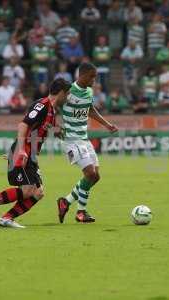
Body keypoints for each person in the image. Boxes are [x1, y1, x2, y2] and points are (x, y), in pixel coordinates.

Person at [0, 78, 71, 228]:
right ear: (61, 93)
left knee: (38, 192)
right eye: (68, 94)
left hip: (31, 154)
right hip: (24, 150)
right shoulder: (42, 105)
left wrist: (64, 133)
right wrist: (19, 150)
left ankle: (7, 218)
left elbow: (52, 129)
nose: (68, 97)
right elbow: (23, 124)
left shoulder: (52, 110)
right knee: (28, 190)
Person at [57, 63, 118, 223]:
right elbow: (54, 105)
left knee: (95, 177)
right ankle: (81, 212)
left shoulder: (89, 91)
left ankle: (66, 201)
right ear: (82, 75)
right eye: (92, 76)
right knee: (90, 174)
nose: (94, 80)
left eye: (95, 76)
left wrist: (106, 124)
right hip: (71, 140)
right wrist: (56, 125)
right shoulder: (68, 90)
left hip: (84, 139)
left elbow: (90, 109)